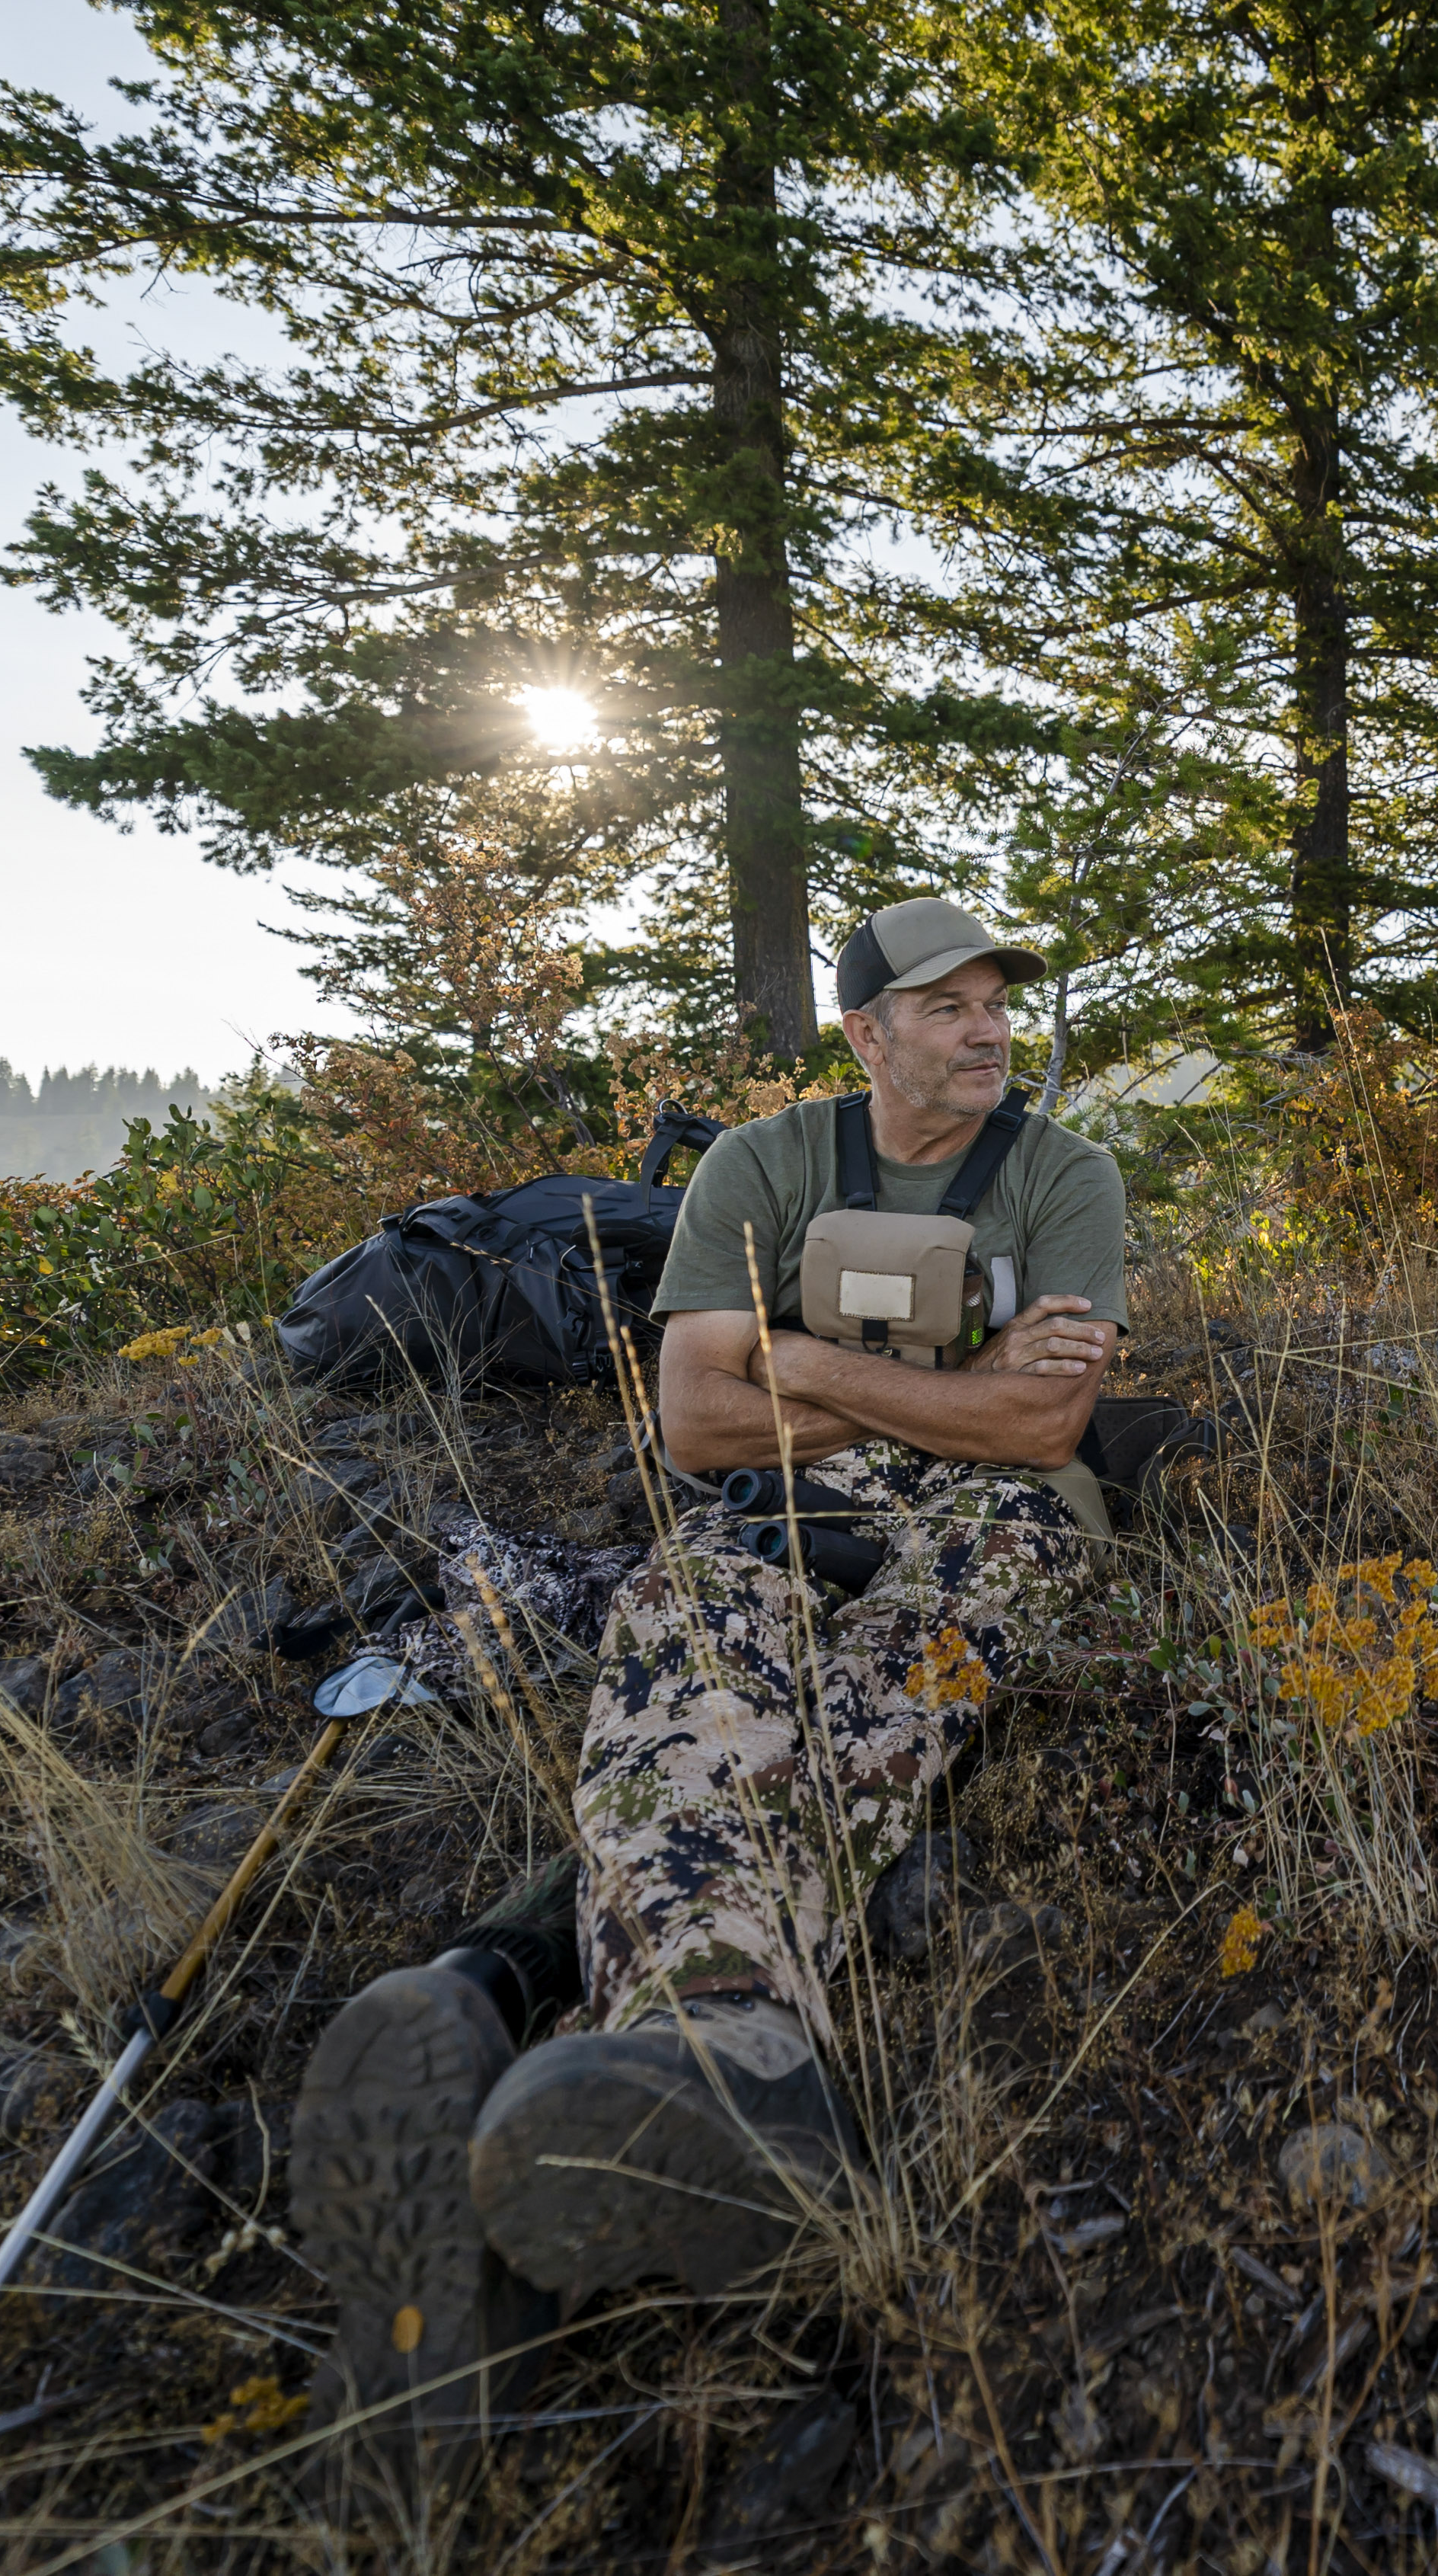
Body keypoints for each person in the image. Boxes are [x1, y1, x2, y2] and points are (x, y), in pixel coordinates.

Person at [289, 894, 1126, 2452]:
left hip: (1004, 1526)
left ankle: (516, 2049)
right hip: (768, 1514)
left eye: (996, 998)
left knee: (857, 1699)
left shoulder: (1064, 1177)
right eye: (945, 1005)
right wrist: (911, 1394)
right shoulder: (762, 1166)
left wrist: (801, 1363)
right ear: (867, 1031)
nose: (987, 1026)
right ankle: (713, 2060)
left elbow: (1038, 1437)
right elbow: (695, 1424)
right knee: (682, 1657)